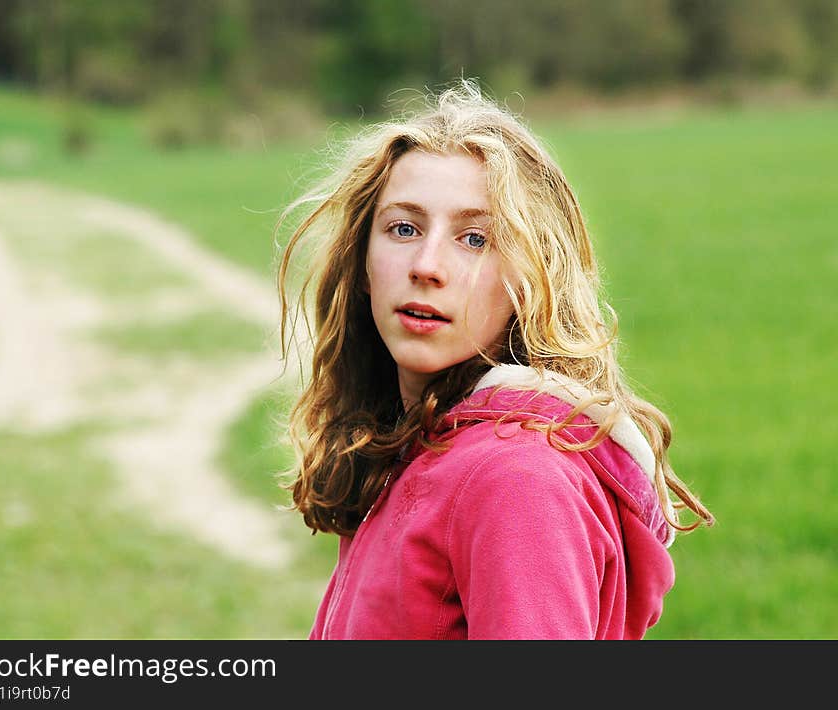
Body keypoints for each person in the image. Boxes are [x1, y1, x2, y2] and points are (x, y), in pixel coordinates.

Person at [275, 79, 714, 640]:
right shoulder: (422, 442)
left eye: (476, 239)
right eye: (403, 228)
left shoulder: (513, 479)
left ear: (529, 278)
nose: (427, 264)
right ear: (362, 263)